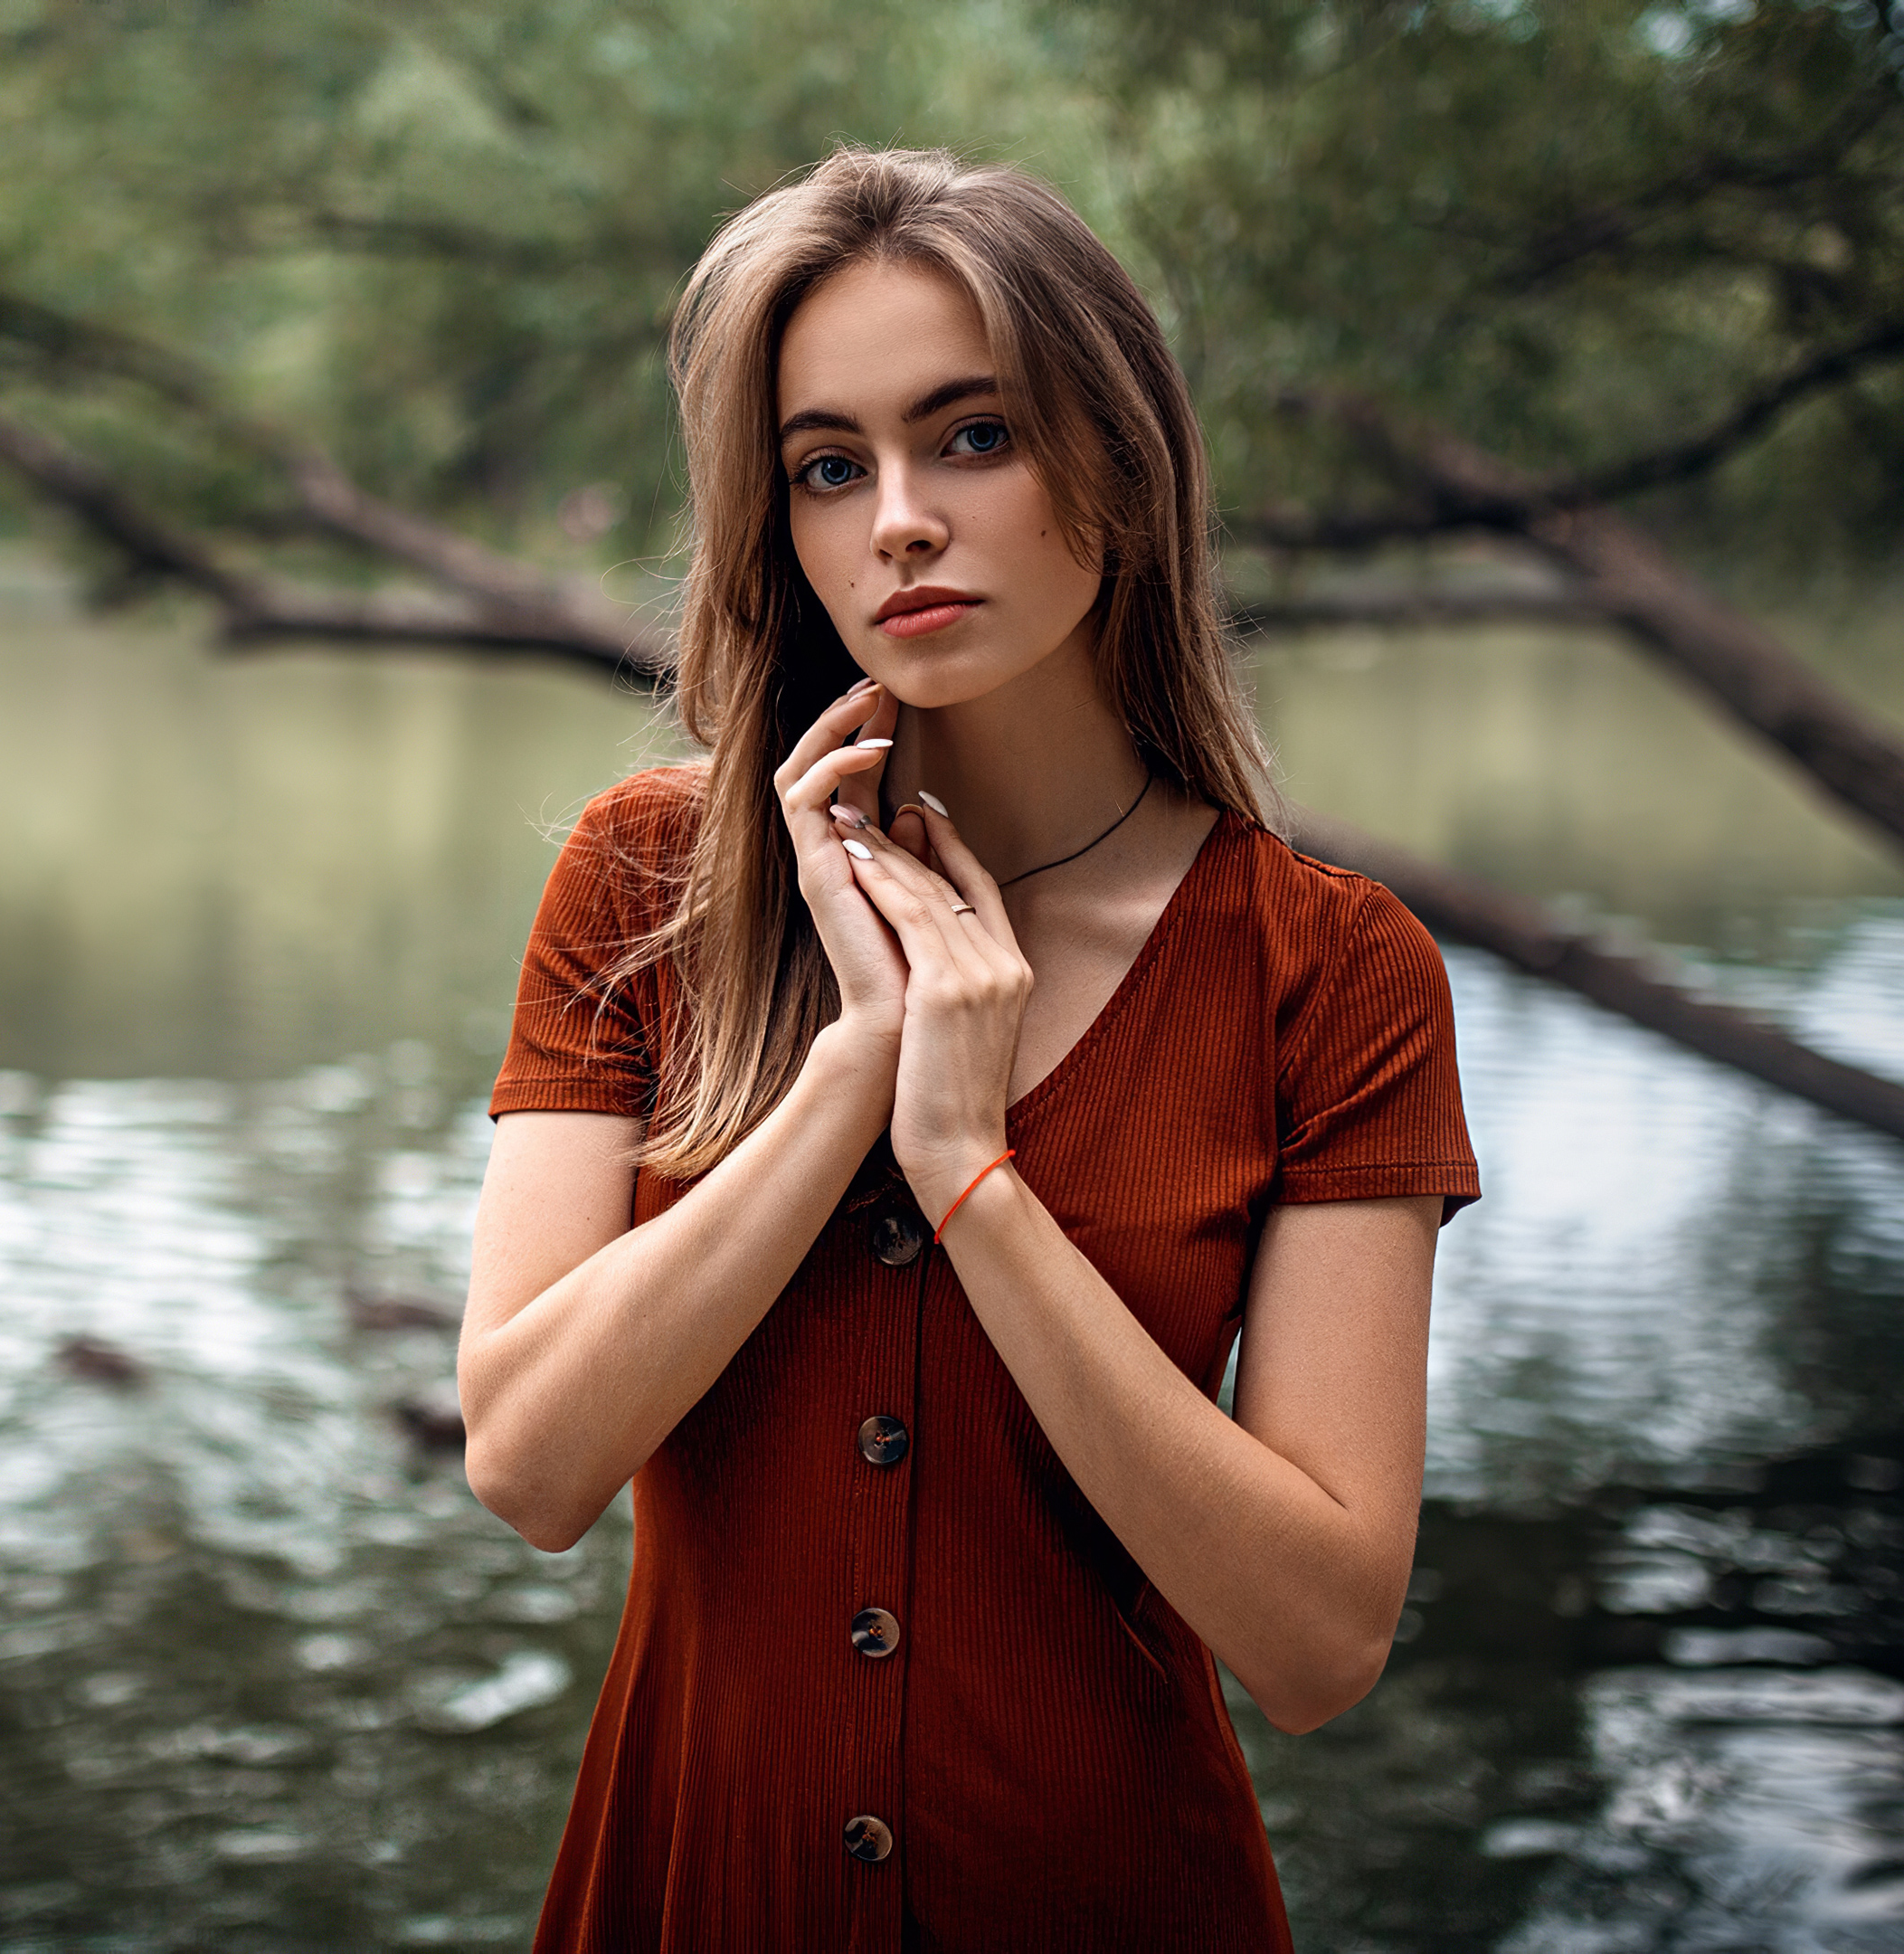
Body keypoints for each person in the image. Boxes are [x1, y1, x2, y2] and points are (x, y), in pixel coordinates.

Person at [455, 147, 1480, 1949]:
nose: (899, 521)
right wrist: (856, 1066)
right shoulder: (643, 884)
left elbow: (1320, 1642)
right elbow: (531, 1460)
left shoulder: (1331, 971)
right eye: (829, 468)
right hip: (702, 1895)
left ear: (1124, 471)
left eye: (974, 437)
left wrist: (971, 1175)